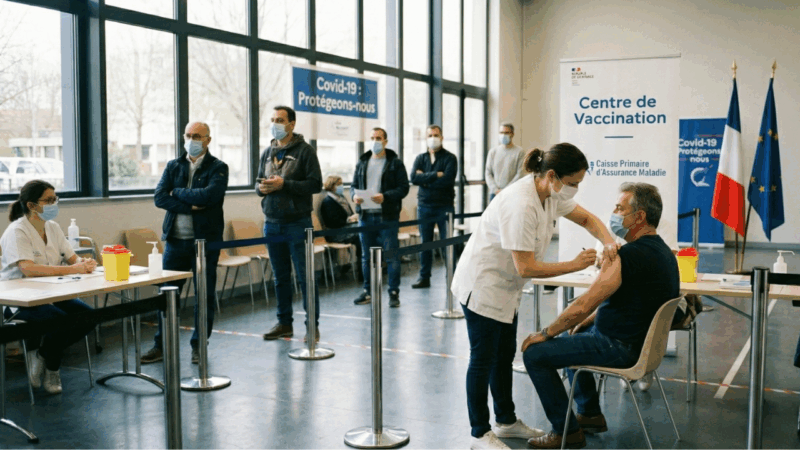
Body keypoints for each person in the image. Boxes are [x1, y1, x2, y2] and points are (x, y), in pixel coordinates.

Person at [451, 144, 618, 449]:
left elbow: (586, 219)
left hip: (505, 288)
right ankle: (479, 433)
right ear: (552, 175)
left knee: (503, 356)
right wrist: (574, 264)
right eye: (573, 183)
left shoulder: (550, 194)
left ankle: (505, 421)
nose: (575, 189)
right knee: (482, 359)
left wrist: (608, 242)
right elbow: (525, 267)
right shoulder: (521, 203)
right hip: (482, 285)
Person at [521, 182, 679, 449]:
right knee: (577, 330)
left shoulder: (628, 255)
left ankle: (566, 431)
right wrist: (587, 321)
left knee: (535, 355)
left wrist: (545, 333)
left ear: (639, 216)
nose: (614, 213)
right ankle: (590, 415)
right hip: (635, 344)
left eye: (620, 208)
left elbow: (584, 303)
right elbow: (634, 302)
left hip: (617, 346)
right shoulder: (663, 253)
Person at [0, 180, 97, 394]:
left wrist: (84, 263)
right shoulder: (17, 231)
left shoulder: (52, 227)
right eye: (49, 200)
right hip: (19, 300)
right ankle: (53, 369)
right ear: (31, 205)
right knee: (59, 321)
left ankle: (42, 354)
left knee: (88, 317)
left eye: (55, 199)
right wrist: (73, 269)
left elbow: (72, 258)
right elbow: (28, 269)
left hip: (51, 294)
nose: (54, 204)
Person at [143, 121, 228, 365]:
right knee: (167, 295)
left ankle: (199, 346)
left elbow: (210, 196)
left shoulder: (218, 167)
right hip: (175, 241)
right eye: (188, 135)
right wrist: (190, 206)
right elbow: (159, 197)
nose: (192, 140)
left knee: (204, 296)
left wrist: (177, 192)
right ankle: (161, 345)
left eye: (198, 136)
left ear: (208, 140)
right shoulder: (174, 165)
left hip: (205, 243)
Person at [258, 105, 323, 343]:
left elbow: (315, 184)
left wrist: (285, 184)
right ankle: (284, 323)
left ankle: (312, 326)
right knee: (280, 278)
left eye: (280, 120)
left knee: (305, 277)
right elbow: (257, 183)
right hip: (272, 222)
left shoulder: (305, 151)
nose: (275, 124)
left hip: (298, 222)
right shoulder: (267, 152)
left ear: (291, 124)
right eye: (273, 119)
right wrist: (261, 188)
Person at [351, 127, 410, 307]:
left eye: (378, 138)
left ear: (385, 141)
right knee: (366, 257)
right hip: (365, 216)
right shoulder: (362, 162)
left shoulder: (395, 163)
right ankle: (368, 291)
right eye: (372, 138)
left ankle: (393, 292)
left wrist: (386, 196)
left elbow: (403, 188)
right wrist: (354, 196)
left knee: (391, 256)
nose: (375, 141)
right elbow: (353, 186)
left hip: (387, 216)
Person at [410, 124, 457, 289]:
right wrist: (436, 175)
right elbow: (413, 178)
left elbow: (447, 181)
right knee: (425, 244)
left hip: (444, 206)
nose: (433, 138)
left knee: (447, 244)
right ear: (426, 138)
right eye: (430, 135)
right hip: (424, 206)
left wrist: (425, 180)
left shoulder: (450, 158)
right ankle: (424, 277)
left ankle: (452, 278)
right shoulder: (420, 158)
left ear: (442, 138)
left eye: (436, 135)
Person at [319, 175, 362, 275]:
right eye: (339, 184)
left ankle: (365, 266)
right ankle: (362, 270)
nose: (341, 186)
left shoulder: (342, 198)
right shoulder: (327, 202)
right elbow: (333, 223)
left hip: (346, 228)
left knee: (365, 231)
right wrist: (349, 220)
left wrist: (353, 218)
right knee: (360, 235)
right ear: (331, 186)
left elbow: (349, 214)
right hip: (335, 232)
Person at [485, 123, 525, 201]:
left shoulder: (519, 152)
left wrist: (505, 190)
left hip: (512, 194)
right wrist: (495, 189)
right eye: (501, 132)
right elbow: (488, 172)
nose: (503, 135)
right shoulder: (493, 152)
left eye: (506, 133)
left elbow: (520, 174)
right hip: (495, 194)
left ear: (512, 134)